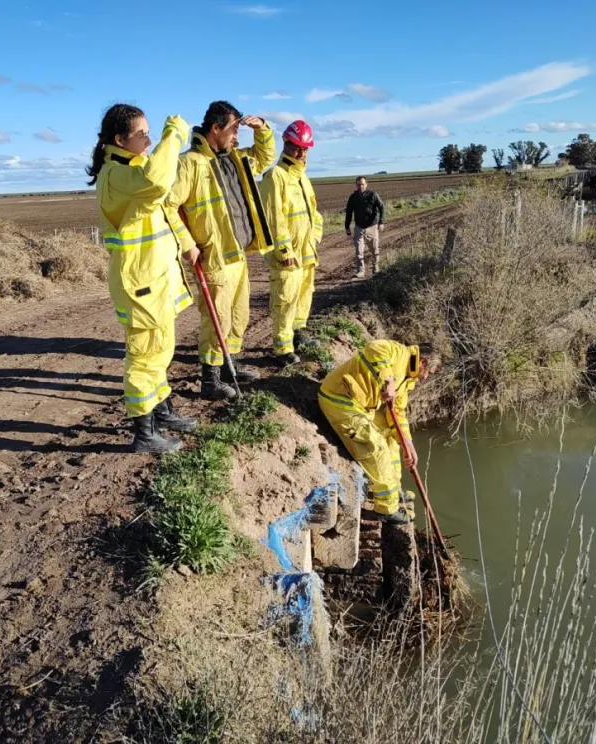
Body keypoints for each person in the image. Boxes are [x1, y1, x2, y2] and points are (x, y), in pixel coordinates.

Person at [88, 104, 198, 454]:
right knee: (143, 358)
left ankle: (161, 411)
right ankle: (144, 432)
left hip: (154, 278)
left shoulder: (131, 169)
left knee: (161, 350)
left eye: (151, 132)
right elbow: (158, 179)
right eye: (142, 134)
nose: (149, 140)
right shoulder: (118, 175)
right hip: (141, 284)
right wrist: (174, 135)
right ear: (120, 140)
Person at [166, 101, 277, 400]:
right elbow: (168, 206)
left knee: (239, 316)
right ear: (215, 129)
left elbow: (266, 157)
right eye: (233, 129)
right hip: (213, 257)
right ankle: (210, 378)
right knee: (218, 319)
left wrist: (263, 129)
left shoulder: (236, 158)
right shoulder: (188, 164)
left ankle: (231, 366)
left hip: (237, 255)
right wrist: (187, 244)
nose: (237, 136)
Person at [318, 339, 442, 523]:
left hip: (362, 406)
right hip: (340, 400)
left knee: (391, 438)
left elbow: (398, 413)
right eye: (429, 373)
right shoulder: (399, 352)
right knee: (377, 448)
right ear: (423, 361)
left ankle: (394, 488)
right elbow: (374, 348)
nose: (425, 378)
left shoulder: (408, 379)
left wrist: (407, 443)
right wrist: (388, 380)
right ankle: (386, 508)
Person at [260, 120, 323, 366]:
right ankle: (283, 348)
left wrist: (314, 238)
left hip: (306, 252)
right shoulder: (276, 176)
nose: (302, 152)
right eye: (297, 147)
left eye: (305, 148)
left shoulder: (302, 178)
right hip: (287, 254)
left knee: (304, 295)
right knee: (285, 298)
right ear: (285, 144)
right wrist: (284, 250)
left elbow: (315, 215)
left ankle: (298, 336)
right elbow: (274, 218)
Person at [344, 177, 386, 279]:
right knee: (359, 250)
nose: (360, 186)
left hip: (372, 226)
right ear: (356, 185)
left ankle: (375, 267)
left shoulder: (373, 195)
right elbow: (349, 212)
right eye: (358, 184)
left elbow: (382, 207)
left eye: (362, 184)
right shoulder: (353, 197)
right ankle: (361, 271)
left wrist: (381, 222)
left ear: (366, 184)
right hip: (359, 227)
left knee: (374, 249)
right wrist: (347, 227)